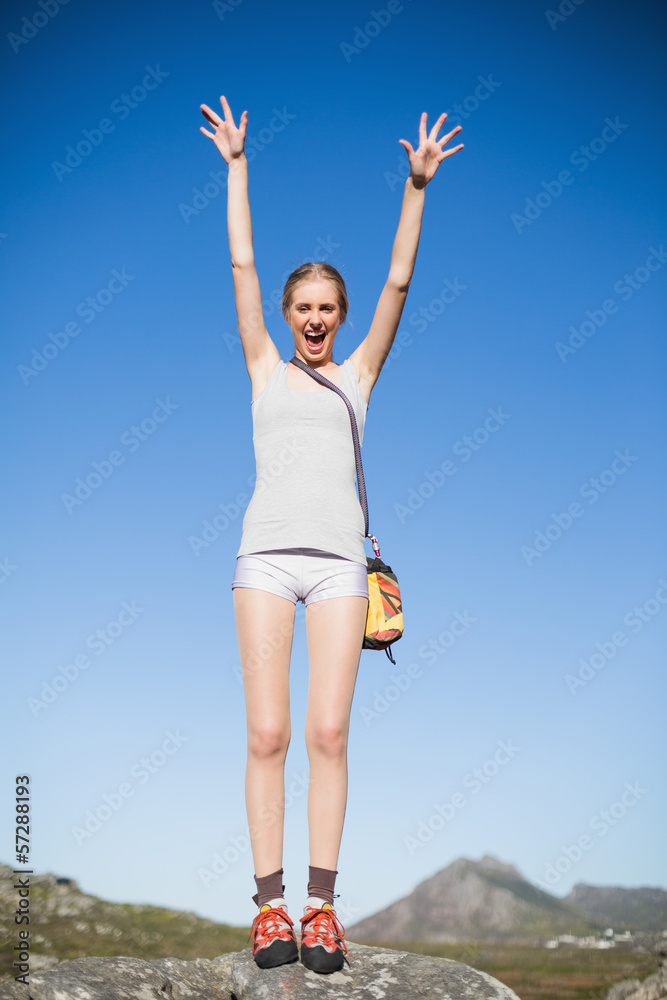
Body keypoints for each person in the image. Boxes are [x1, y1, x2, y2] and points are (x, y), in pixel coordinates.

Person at [199, 94, 463, 975]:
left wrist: (415, 187)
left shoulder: (356, 378)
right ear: (285, 314)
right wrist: (237, 169)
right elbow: (240, 265)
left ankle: (321, 908)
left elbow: (397, 282)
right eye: (301, 306)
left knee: (328, 735)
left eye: (326, 308)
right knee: (266, 734)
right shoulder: (263, 368)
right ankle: (268, 908)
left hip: (342, 569)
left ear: (340, 318)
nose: (314, 318)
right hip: (264, 563)